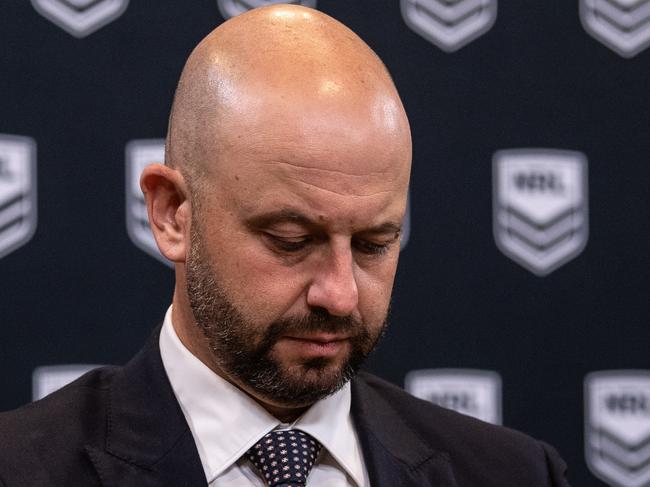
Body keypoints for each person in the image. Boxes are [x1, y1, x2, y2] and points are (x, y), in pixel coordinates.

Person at [0, 5, 571, 487]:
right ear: (172, 214)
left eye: (375, 243)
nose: (341, 295)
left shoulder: (513, 472)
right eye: (292, 241)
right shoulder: (23, 468)